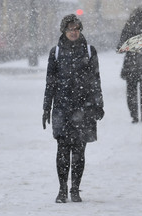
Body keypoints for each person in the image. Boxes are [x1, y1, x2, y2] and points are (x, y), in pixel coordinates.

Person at [42, 14, 104, 203]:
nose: (74, 32)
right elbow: (50, 82)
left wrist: (98, 104)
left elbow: (95, 80)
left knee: (79, 151)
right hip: (62, 108)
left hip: (84, 109)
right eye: (70, 29)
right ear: (64, 31)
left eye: (76, 29)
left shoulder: (89, 51)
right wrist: (46, 108)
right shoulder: (56, 52)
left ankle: (75, 189)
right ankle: (62, 189)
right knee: (62, 150)